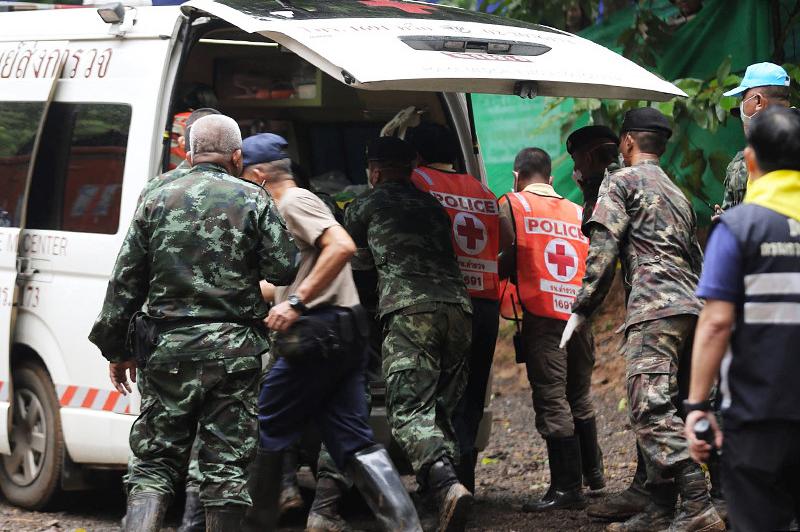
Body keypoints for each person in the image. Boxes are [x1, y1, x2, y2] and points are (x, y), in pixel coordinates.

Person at [88, 114, 299, 531]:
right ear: (237, 156)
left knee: (153, 463)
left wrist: (117, 348)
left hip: (166, 352)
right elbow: (283, 267)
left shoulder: (156, 194)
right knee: (226, 468)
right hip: (233, 357)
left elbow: (126, 279)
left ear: (188, 152)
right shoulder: (254, 198)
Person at [239, 133, 421, 532]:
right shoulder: (286, 209)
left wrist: (297, 303)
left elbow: (341, 246)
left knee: (266, 423)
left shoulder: (293, 201)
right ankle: (406, 526)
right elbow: (285, 281)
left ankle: (253, 522)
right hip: (342, 332)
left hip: (317, 334)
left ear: (257, 175)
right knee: (353, 439)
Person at [561, 108, 724, 532]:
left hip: (656, 309)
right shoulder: (675, 189)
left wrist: (582, 307)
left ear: (628, 142)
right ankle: (661, 505)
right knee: (676, 404)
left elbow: (603, 247)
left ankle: (696, 505)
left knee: (649, 409)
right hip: (692, 307)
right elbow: (695, 255)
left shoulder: (620, 181)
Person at [345, 137, 474, 532]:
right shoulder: (433, 206)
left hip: (410, 312)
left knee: (408, 412)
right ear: (411, 167)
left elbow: (356, 264)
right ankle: (439, 498)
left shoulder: (364, 205)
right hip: (459, 311)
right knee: (439, 411)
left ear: (375, 171)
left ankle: (446, 485)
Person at [685, 106, 800, 531]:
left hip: (757, 419)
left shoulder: (737, 227)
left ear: (750, 163)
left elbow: (716, 322)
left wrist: (698, 407)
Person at [496, 147, 602, 512]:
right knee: (580, 395)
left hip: (544, 317)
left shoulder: (513, 204)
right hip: (579, 316)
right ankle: (595, 474)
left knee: (552, 399)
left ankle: (566, 489)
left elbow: (508, 255)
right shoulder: (577, 211)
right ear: (552, 179)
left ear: (516, 176)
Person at [406, 122, 501, 493]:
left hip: (444, 302)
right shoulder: (485, 192)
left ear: (417, 156)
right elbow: (502, 242)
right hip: (486, 306)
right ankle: (466, 484)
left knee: (435, 395)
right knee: (471, 396)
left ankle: (441, 488)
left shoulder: (418, 182)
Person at [567, 126, 654, 521]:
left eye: (576, 163)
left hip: (657, 304)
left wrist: (582, 309)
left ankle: (667, 494)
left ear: (589, 160)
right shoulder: (650, 177)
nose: (574, 172)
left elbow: (601, 258)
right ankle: (651, 485)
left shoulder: (613, 189)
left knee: (651, 401)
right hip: (690, 297)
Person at [714, 62, 791, 218]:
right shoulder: (740, 164)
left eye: (744, 100)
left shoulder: (751, 159)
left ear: (757, 101)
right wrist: (728, 221)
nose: (741, 109)